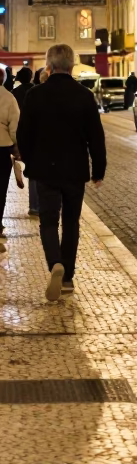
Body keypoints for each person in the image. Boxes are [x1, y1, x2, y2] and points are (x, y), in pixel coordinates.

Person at [17, 43, 106, 303]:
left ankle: (54, 262)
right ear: (71, 66)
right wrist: (98, 170)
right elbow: (96, 138)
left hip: (44, 170)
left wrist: (30, 162)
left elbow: (24, 134)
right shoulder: (84, 95)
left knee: (47, 221)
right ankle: (67, 278)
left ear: (50, 66)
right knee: (71, 222)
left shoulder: (35, 95)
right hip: (74, 170)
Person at [11, 67, 39, 216]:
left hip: (20, 134)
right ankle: (36, 205)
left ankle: (34, 205)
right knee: (35, 171)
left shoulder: (15, 93)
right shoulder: (36, 92)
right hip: (35, 136)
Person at [0, 64, 19, 249]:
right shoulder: (8, 98)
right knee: (0, 190)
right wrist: (17, 149)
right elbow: (15, 128)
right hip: (2, 150)